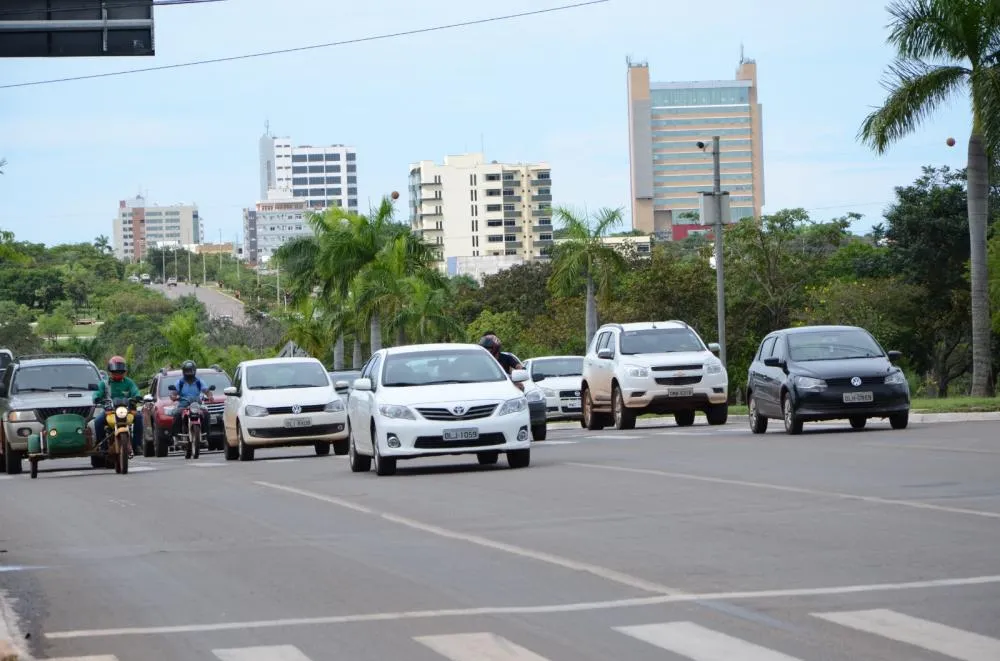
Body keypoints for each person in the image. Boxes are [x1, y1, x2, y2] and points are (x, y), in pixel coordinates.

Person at [92, 355, 143, 456]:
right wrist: (96, 398)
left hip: (126, 410)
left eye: (120, 372)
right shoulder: (104, 384)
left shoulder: (129, 382)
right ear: (110, 372)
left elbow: (135, 390)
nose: (118, 374)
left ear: (124, 372)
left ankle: (137, 445)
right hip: (110, 410)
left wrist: (137, 396)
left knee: (139, 417)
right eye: (115, 372)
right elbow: (97, 392)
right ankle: (102, 446)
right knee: (97, 421)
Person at [171, 360, 210, 438]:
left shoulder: (199, 382)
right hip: (183, 406)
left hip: (197, 405)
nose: (189, 372)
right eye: (187, 371)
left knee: (206, 414)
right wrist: (173, 397)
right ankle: (176, 435)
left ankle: (206, 435)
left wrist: (210, 396)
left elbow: (207, 391)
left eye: (191, 370)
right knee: (177, 415)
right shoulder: (180, 382)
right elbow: (173, 393)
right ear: (183, 371)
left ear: (194, 371)